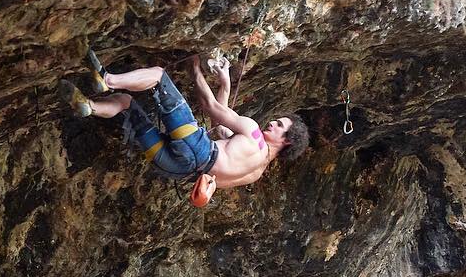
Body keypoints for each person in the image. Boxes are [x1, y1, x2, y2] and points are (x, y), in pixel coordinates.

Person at [61, 50, 308, 206]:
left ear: (287, 141)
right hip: (175, 168)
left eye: (279, 126)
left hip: (198, 149)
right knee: (127, 104)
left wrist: (195, 68)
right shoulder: (255, 173)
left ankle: (107, 79)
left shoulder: (254, 133)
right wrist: (226, 83)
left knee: (158, 76)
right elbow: (220, 126)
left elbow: (209, 106)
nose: (273, 123)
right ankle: (90, 106)